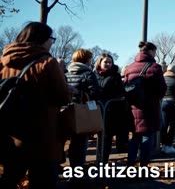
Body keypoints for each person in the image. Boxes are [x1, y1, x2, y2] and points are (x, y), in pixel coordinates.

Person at [0, 22, 70, 189]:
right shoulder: (48, 63)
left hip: (12, 133)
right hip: (43, 134)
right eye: (51, 39)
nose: (52, 42)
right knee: (43, 180)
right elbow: (62, 97)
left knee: (10, 178)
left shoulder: (4, 62)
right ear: (43, 39)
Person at [124, 41, 166, 166]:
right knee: (147, 137)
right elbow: (162, 89)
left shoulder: (129, 67)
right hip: (150, 107)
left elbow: (125, 87)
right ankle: (143, 167)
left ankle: (130, 166)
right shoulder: (155, 67)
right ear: (151, 51)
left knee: (135, 138)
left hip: (133, 107)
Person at [65, 49, 101, 171]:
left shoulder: (67, 73)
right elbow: (95, 93)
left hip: (67, 110)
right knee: (80, 143)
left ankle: (72, 168)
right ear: (87, 60)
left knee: (71, 143)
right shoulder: (88, 74)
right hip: (82, 112)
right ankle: (78, 170)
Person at [94, 53, 129, 162]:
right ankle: (98, 160)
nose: (108, 64)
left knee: (106, 137)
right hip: (97, 109)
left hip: (111, 111)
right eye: (105, 62)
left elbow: (119, 92)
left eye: (110, 62)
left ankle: (103, 161)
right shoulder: (94, 74)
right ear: (100, 62)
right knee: (99, 136)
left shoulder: (115, 75)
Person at [160, 64, 175, 154]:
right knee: (172, 126)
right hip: (173, 103)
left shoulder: (161, 80)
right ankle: (169, 145)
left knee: (164, 125)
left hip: (163, 103)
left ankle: (163, 145)